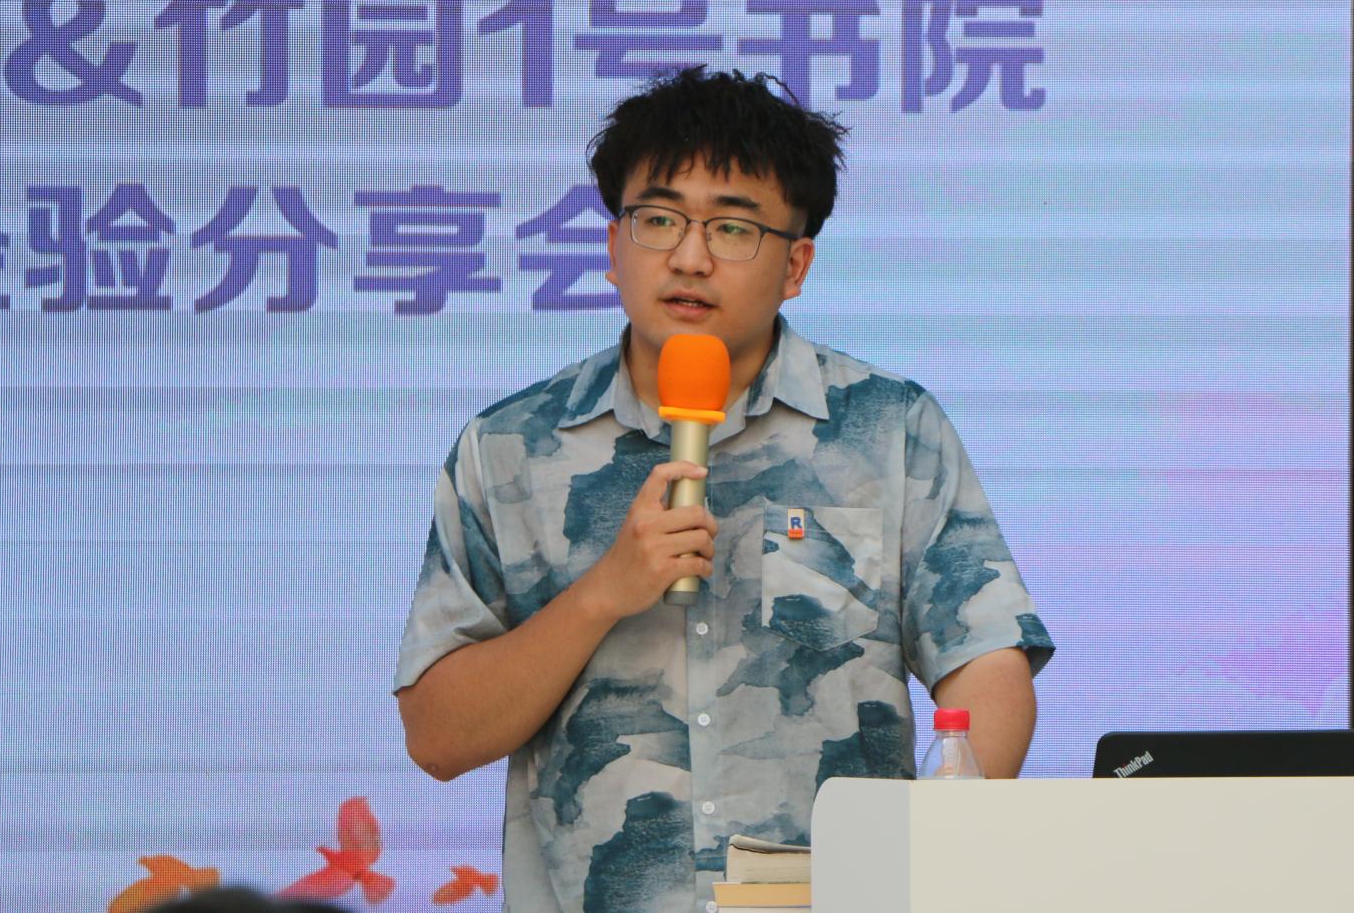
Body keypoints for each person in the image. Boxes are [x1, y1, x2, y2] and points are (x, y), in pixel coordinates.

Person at [395, 67, 1054, 913]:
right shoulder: (509, 449)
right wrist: (602, 593)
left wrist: (941, 850)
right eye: (658, 218)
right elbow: (439, 736)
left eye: (733, 227)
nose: (690, 256)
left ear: (796, 263)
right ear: (613, 246)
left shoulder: (888, 428)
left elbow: (986, 659)